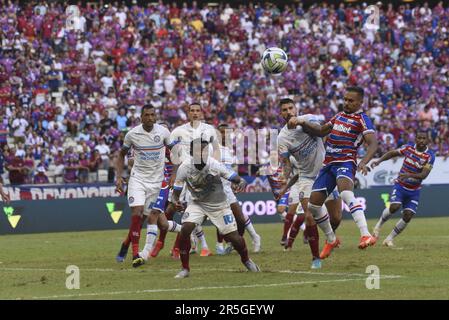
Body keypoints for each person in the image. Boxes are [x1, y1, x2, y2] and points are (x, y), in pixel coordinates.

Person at [289, 86, 378, 259]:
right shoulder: (338, 116)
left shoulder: (362, 119)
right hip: (328, 164)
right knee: (313, 206)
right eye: (345, 99)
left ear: (360, 102)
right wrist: (301, 123)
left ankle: (366, 234)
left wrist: (364, 162)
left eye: (351, 100)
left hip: (346, 161)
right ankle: (331, 239)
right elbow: (321, 131)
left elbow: (373, 143)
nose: (346, 103)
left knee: (346, 193)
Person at [172, 138, 260, 278]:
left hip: (218, 205)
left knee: (234, 238)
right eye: (199, 150)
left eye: (205, 150)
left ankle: (246, 260)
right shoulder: (184, 167)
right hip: (197, 204)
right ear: (191, 152)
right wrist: (176, 201)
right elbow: (175, 192)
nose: (203, 153)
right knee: (185, 229)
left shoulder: (214, 165)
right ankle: (185, 269)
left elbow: (236, 178)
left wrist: (241, 182)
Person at [276, 98, 342, 269]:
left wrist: (301, 122)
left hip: (326, 172)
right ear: (280, 114)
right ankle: (316, 258)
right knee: (310, 215)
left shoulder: (309, 118)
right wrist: (286, 173)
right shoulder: (282, 138)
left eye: (291, 107)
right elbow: (286, 163)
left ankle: (331, 237)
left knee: (336, 218)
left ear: (296, 108)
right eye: (284, 109)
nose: (289, 111)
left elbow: (320, 132)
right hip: (306, 178)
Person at [115, 104, 176, 267]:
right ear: (141, 117)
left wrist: (174, 175)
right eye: (147, 115)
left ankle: (125, 245)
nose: (150, 117)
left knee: (152, 220)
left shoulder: (163, 132)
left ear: (155, 116)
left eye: (152, 115)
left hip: (157, 182)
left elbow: (176, 153)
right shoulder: (132, 134)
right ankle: (136, 253)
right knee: (137, 212)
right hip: (138, 179)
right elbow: (121, 155)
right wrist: (119, 177)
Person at [168, 102, 222, 257]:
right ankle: (198, 244)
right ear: (188, 113)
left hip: (206, 176)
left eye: (198, 111)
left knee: (200, 211)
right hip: (186, 175)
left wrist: (215, 169)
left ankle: (198, 244)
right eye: (192, 111)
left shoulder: (209, 130)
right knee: (187, 210)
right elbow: (173, 153)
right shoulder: (179, 131)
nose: (195, 113)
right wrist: (173, 173)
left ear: (202, 113)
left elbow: (217, 150)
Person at [371, 131, 435, 247]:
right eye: (419, 138)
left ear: (427, 141)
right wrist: (379, 161)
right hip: (400, 185)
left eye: (423, 138)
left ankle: (389, 239)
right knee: (394, 207)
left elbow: (424, 175)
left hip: (414, 190)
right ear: (415, 139)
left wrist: (409, 175)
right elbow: (392, 153)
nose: (421, 140)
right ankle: (378, 226)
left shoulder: (430, 156)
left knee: (408, 215)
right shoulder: (408, 148)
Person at [216, 123, 261, 254]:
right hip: (214, 191)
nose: (225, 135)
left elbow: (230, 171)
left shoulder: (230, 151)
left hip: (227, 190)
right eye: (222, 133)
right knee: (219, 221)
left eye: (227, 133)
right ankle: (220, 244)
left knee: (240, 219)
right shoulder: (212, 150)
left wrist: (235, 182)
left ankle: (252, 238)